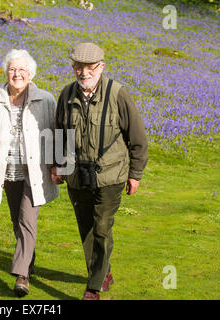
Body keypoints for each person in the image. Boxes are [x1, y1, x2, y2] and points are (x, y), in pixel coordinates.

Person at [51, 43, 148, 300]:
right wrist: (58, 166)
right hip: (76, 175)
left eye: (90, 67)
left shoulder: (118, 95)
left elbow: (137, 137)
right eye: (79, 67)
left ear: (101, 67)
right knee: (87, 229)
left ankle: (93, 288)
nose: (84, 72)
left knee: (102, 226)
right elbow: (59, 134)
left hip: (111, 175)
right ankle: (103, 272)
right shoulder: (66, 95)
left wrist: (135, 174)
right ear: (73, 68)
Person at [0, 49, 59, 297]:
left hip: (36, 171)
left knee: (27, 220)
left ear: (30, 73)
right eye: (12, 69)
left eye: (22, 70)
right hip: (7, 171)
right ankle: (28, 257)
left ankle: (22, 276)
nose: (17, 74)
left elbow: (57, 132)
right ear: (6, 72)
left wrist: (60, 165)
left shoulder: (46, 100)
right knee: (16, 221)